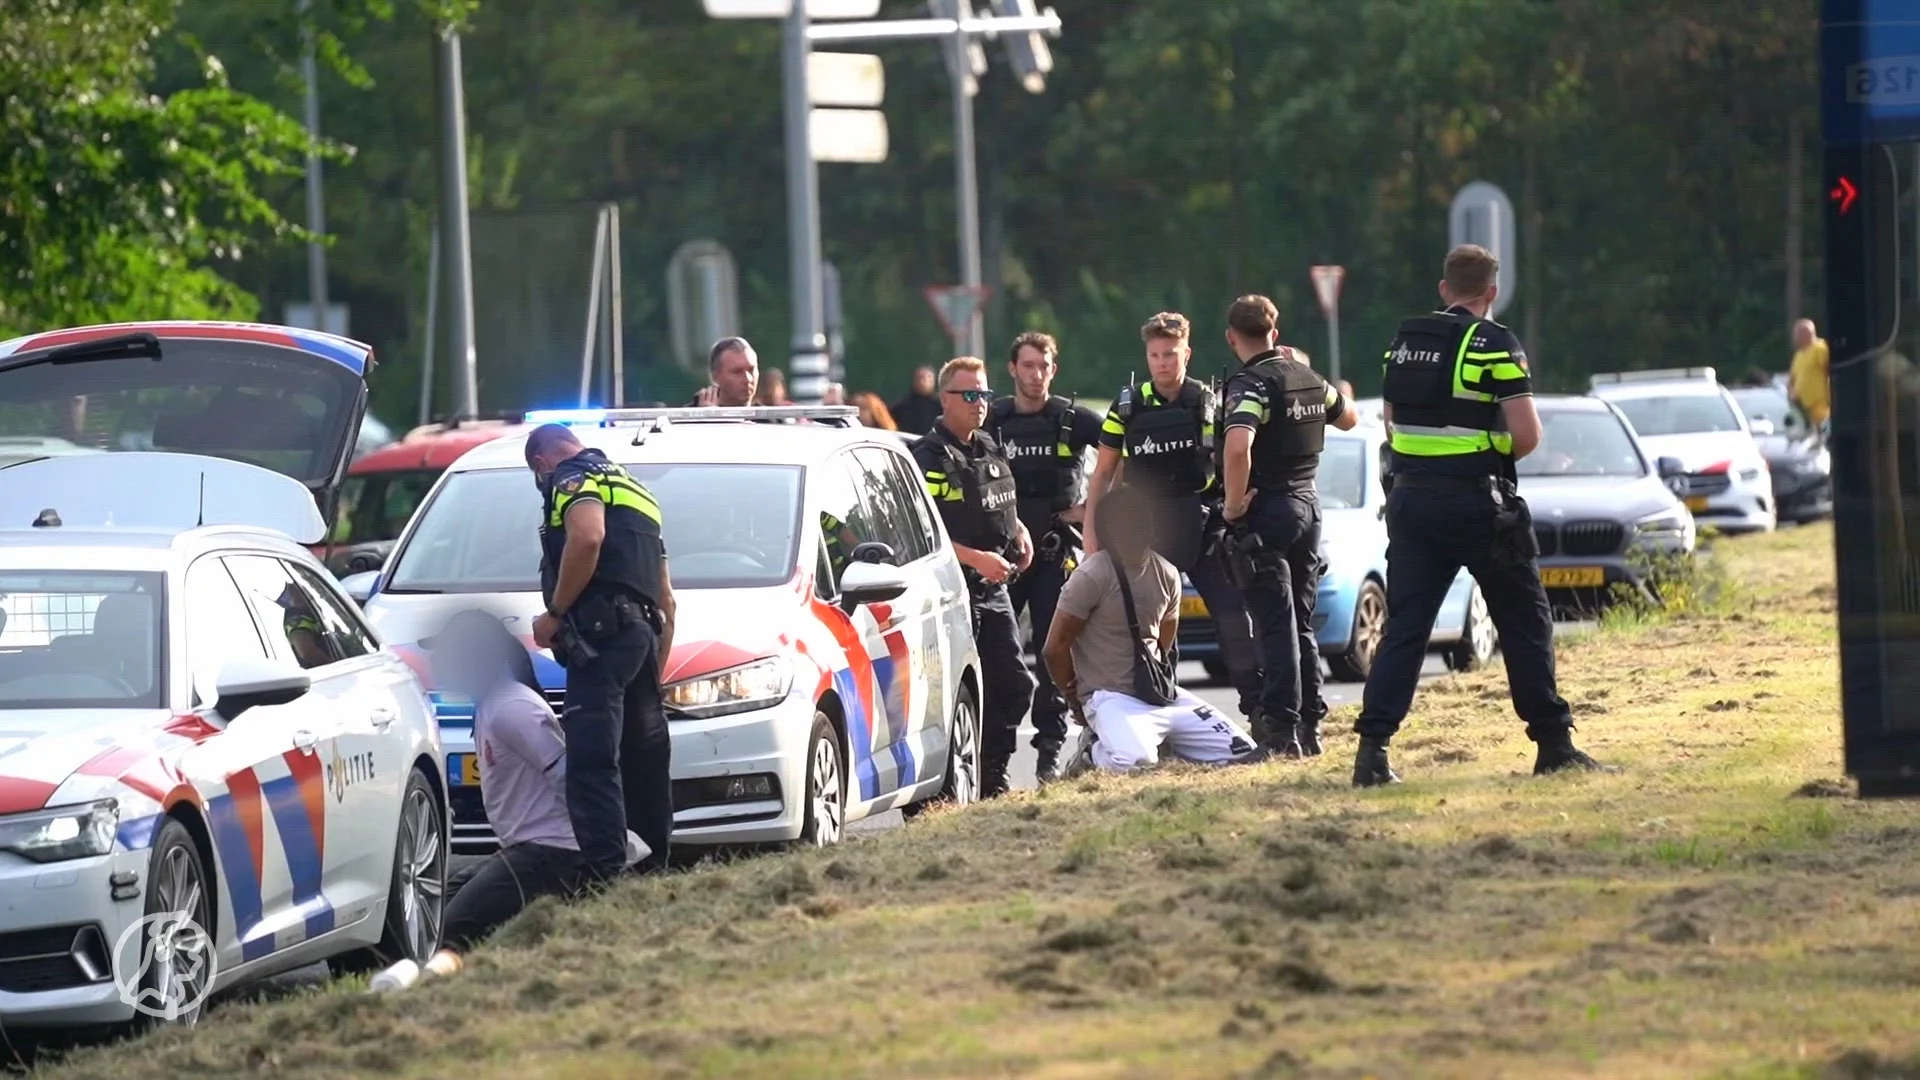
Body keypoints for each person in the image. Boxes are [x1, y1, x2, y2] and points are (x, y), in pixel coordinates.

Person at [1355, 244, 1608, 786]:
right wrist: (1485, 452)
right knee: (1523, 619)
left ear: (1444, 288)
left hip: (1411, 503)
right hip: (1478, 505)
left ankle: (1372, 751)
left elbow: (1393, 425)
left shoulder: (1404, 344)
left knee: (1406, 627)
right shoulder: (1494, 344)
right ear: (1491, 291)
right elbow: (1526, 435)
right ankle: (1553, 744)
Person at [403, 610, 652, 982]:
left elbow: (569, 776)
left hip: (550, 853)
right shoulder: (491, 706)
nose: (438, 662)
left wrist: (595, 851)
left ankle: (441, 986)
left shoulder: (512, 708)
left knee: (452, 929)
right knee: (440, 909)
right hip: (528, 850)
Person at [1084, 311, 1267, 746]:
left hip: (1203, 524)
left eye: (1170, 354)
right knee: (1146, 633)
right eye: (1155, 355)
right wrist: (1092, 538)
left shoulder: (1210, 402)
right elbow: (1102, 475)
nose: (1162, 363)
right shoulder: (1128, 407)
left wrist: (1238, 508)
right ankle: (1153, 719)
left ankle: (1260, 715)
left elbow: (1240, 456)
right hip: (1145, 532)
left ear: (1187, 353)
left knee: (1234, 620)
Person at [523, 423, 678, 879]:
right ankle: (652, 866)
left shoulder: (570, 477)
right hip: (643, 636)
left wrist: (555, 613)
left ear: (540, 464)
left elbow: (588, 536)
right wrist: (654, 667)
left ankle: (605, 874)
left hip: (601, 635)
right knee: (645, 756)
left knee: (592, 759)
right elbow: (667, 599)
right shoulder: (636, 489)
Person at [1219, 295, 1359, 757]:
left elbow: (1237, 447)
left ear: (1232, 338)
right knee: (1301, 624)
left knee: (1275, 627)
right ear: (1274, 333)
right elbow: (1349, 417)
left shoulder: (1250, 385)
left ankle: (1281, 734)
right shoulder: (1307, 377)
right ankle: (1311, 729)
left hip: (1268, 512)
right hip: (1309, 508)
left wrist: (1233, 505)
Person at [1045, 484, 1259, 773]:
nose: (1135, 533)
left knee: (1242, 753)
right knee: (1134, 764)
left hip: (1158, 694)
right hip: (1110, 698)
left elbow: (1164, 646)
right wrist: (1077, 701)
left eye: (1141, 524)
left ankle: (1161, 742)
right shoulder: (1090, 575)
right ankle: (1092, 754)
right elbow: (1054, 648)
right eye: (1125, 526)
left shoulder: (1167, 573)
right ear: (1109, 532)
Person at [982, 331, 1105, 782]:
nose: (1036, 375)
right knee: (997, 656)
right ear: (1012, 369)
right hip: (1004, 558)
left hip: (1055, 555)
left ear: (1055, 370)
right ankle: (993, 759)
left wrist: (1092, 508)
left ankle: (1049, 752)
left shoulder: (1073, 419)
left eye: (1044, 366)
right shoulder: (992, 420)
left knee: (1055, 654)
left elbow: (1128, 454)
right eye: (1028, 365)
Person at [910, 357, 1036, 797]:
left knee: (1015, 684)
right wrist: (976, 559)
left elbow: (1000, 504)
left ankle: (991, 774)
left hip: (992, 588)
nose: (979, 402)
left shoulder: (988, 445)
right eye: (968, 394)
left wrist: (1019, 532)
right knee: (955, 694)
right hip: (948, 590)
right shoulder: (928, 458)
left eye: (983, 393)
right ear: (944, 399)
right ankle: (954, 785)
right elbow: (922, 533)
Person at [1789, 318, 1831, 441]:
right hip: (1803, 411)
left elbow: (1828, 370)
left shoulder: (1820, 348)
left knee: (1823, 440)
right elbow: (1792, 379)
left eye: (1798, 334)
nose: (1795, 337)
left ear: (1807, 333)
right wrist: (1791, 392)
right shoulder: (1799, 355)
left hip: (1821, 407)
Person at [693, 337, 759, 407]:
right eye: (737, 372)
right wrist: (707, 413)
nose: (748, 379)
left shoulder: (766, 413)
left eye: (751, 370)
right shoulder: (688, 413)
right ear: (715, 377)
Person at [892, 365, 941, 435]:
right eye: (921, 378)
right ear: (914, 380)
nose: (924, 381)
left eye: (929, 378)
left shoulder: (942, 406)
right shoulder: (901, 407)